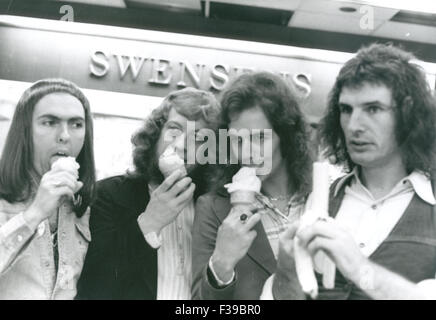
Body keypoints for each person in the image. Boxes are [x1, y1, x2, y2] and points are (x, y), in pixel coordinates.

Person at [267, 43, 436, 300]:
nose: (354, 125)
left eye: (373, 109)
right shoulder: (324, 200)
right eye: (346, 110)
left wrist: (360, 269)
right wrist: (287, 272)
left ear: (408, 113)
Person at [76, 87, 221, 300]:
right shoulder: (108, 195)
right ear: (155, 135)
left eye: (198, 138)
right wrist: (149, 224)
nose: (182, 145)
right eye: (174, 130)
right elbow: (94, 286)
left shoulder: (214, 207)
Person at [191, 71, 313, 299]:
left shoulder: (324, 197)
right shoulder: (213, 209)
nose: (246, 153)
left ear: (286, 136)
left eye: (259, 138)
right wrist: (221, 264)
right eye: (237, 140)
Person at [0, 78, 96, 299]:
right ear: (25, 131)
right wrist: (34, 214)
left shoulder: (86, 206)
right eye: (49, 122)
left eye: (76, 124)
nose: (64, 135)